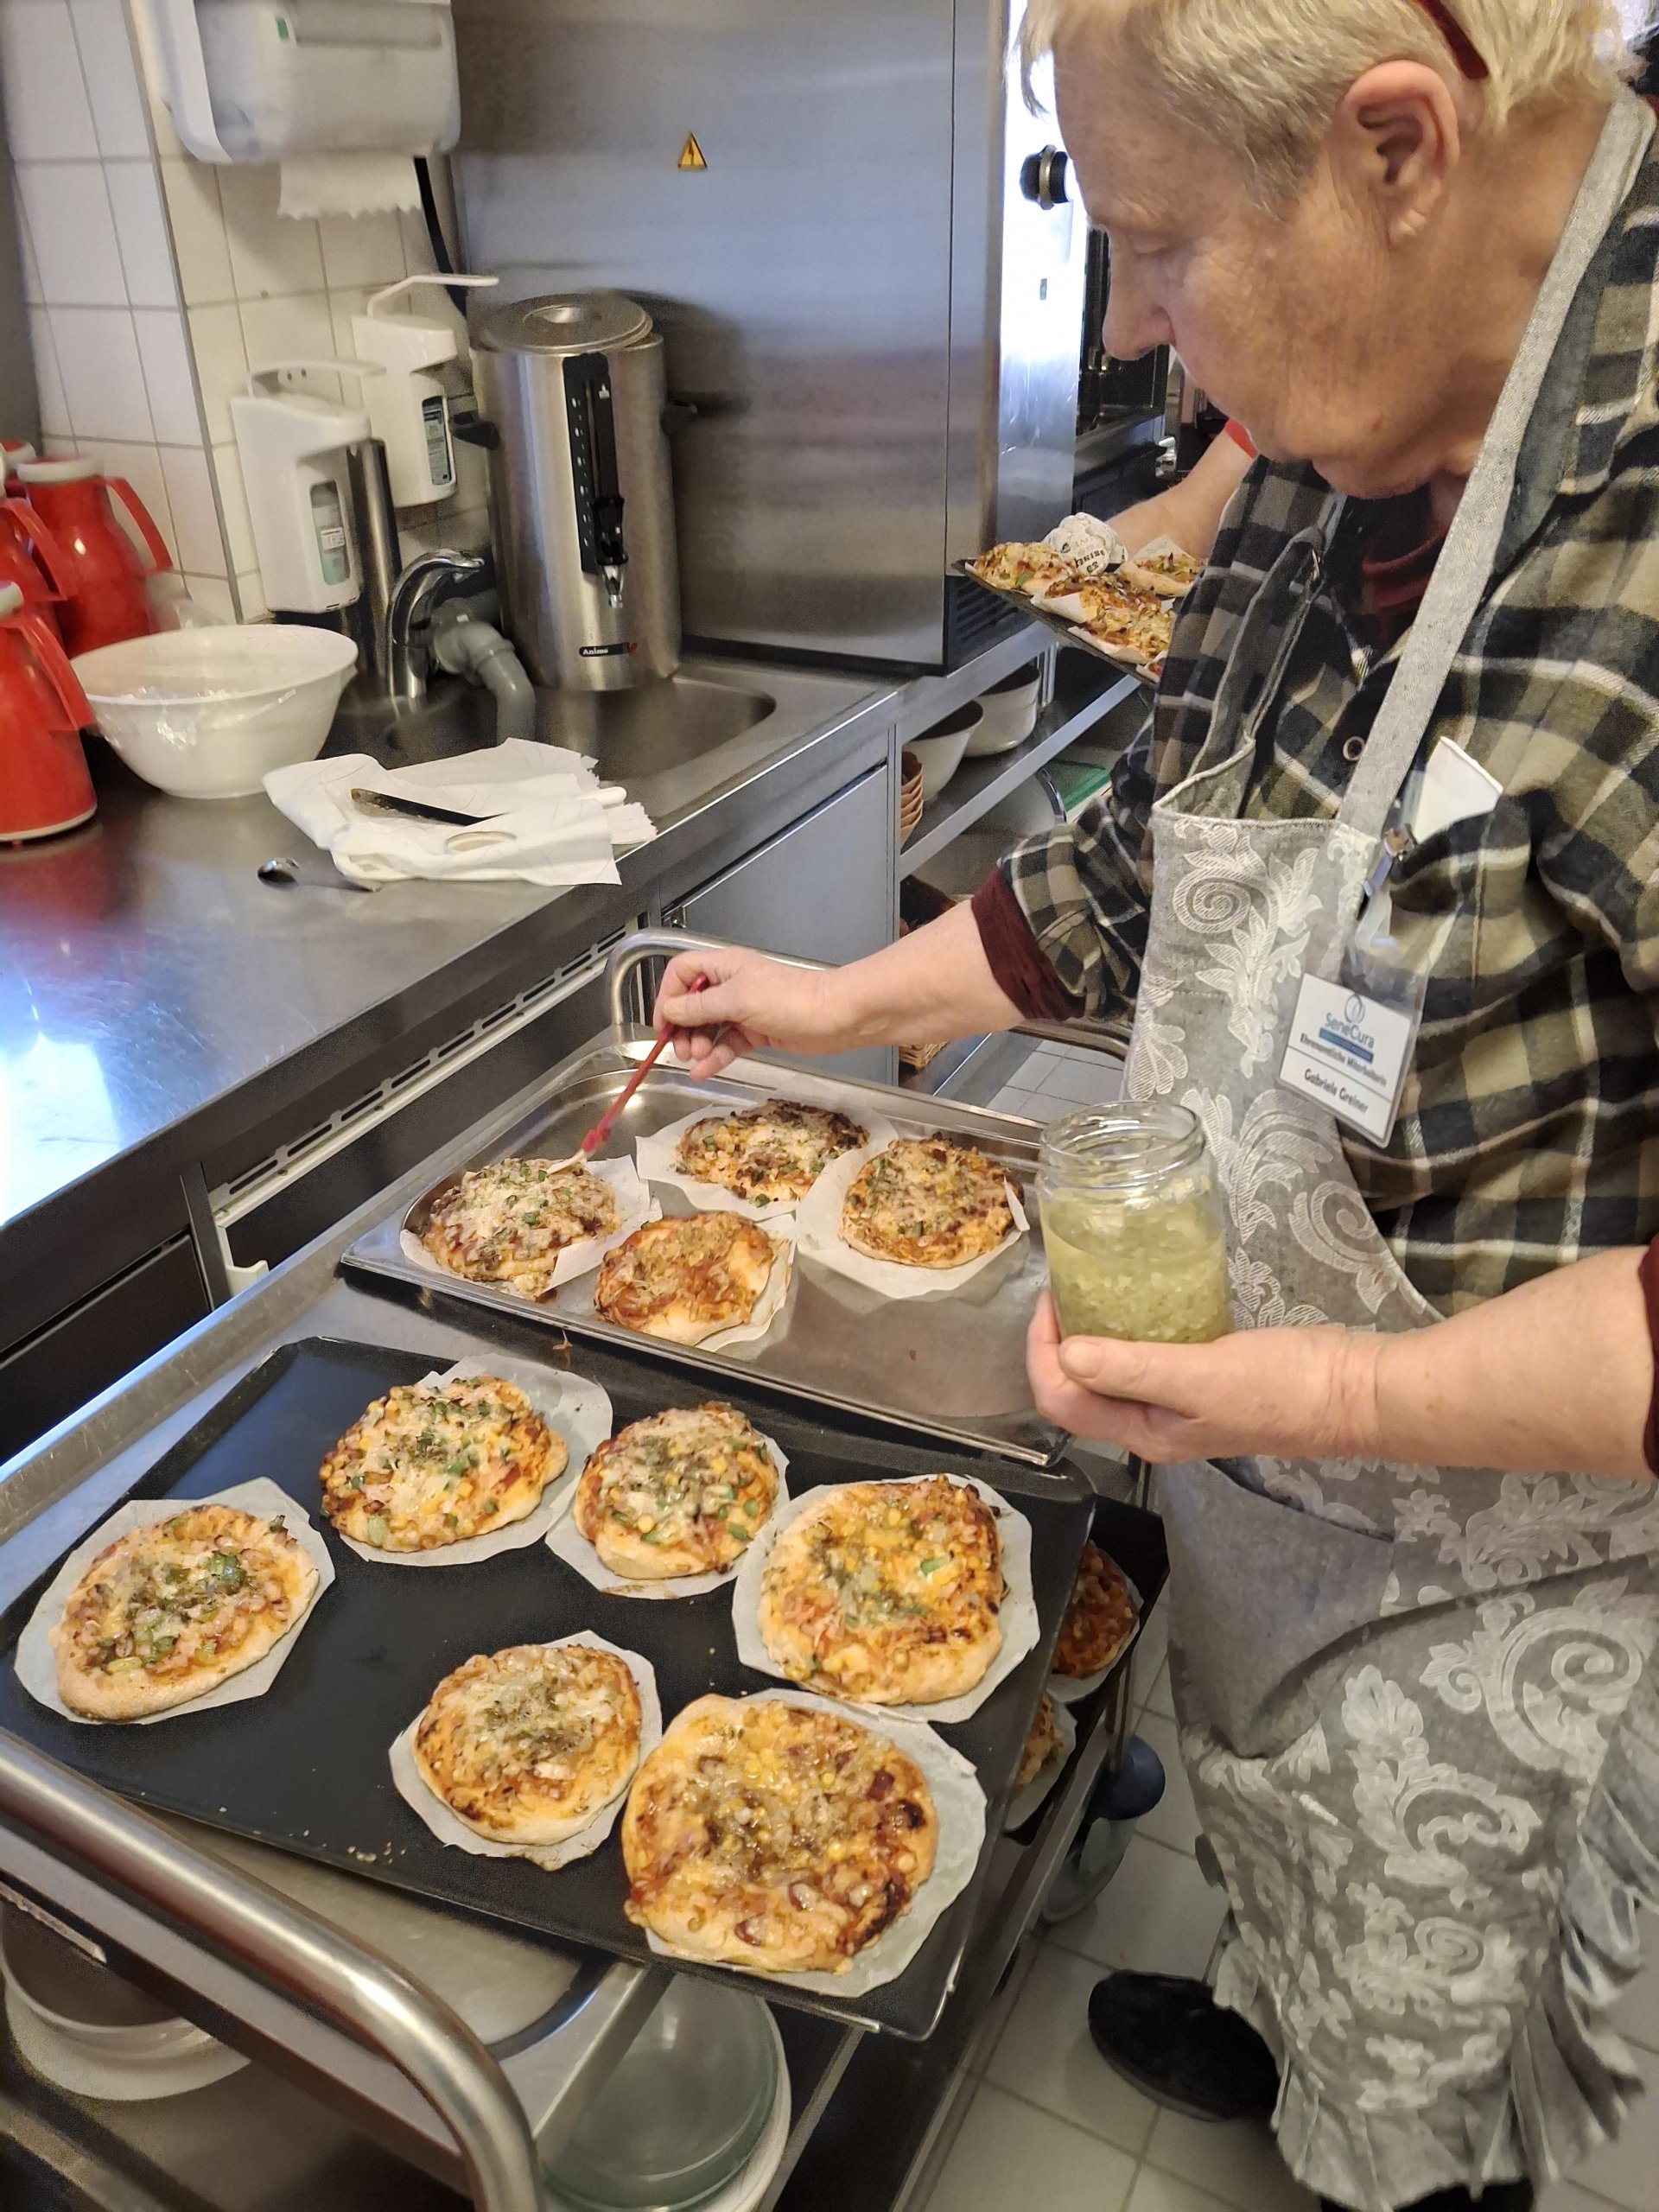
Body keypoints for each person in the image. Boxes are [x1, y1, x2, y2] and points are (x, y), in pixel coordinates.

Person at [656, 5, 1659, 2209]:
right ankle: (1281, 2010)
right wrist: (844, 997)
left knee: (1472, 2047)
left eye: (1159, 241)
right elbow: (1140, 865)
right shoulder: (1340, 423)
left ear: (1396, 148)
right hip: (1277, 1489)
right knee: (1294, 1844)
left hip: (1524, 1580)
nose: (1129, 322)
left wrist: (1322, 1388)